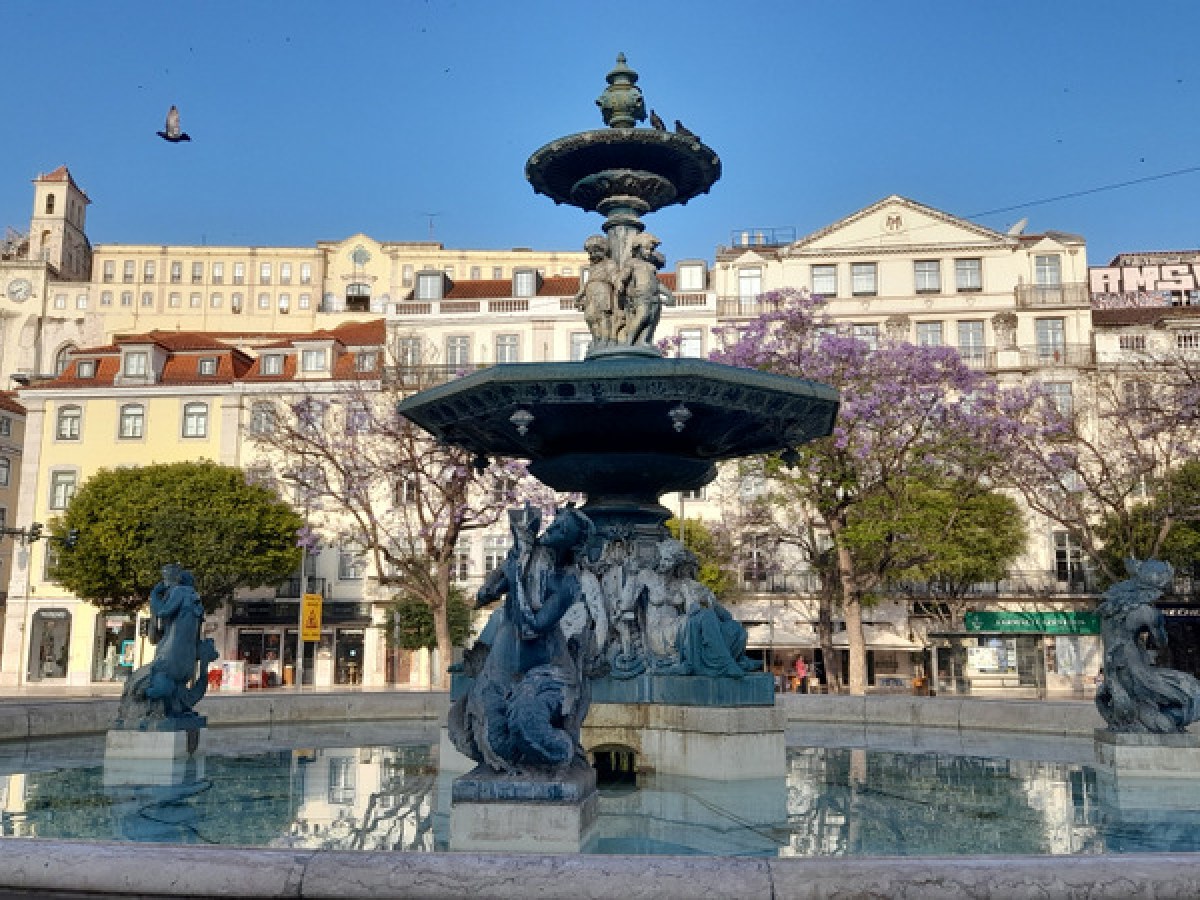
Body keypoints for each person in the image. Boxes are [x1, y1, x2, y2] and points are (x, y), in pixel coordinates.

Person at [573, 235, 621, 345]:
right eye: (590, 253)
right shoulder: (592, 267)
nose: (592, 255)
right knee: (590, 317)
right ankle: (596, 339)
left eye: (595, 251)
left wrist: (619, 286)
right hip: (590, 292)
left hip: (602, 291)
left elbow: (614, 277)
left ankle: (605, 339)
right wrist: (579, 296)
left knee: (602, 316)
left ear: (603, 250)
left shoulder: (609, 263)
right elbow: (587, 283)